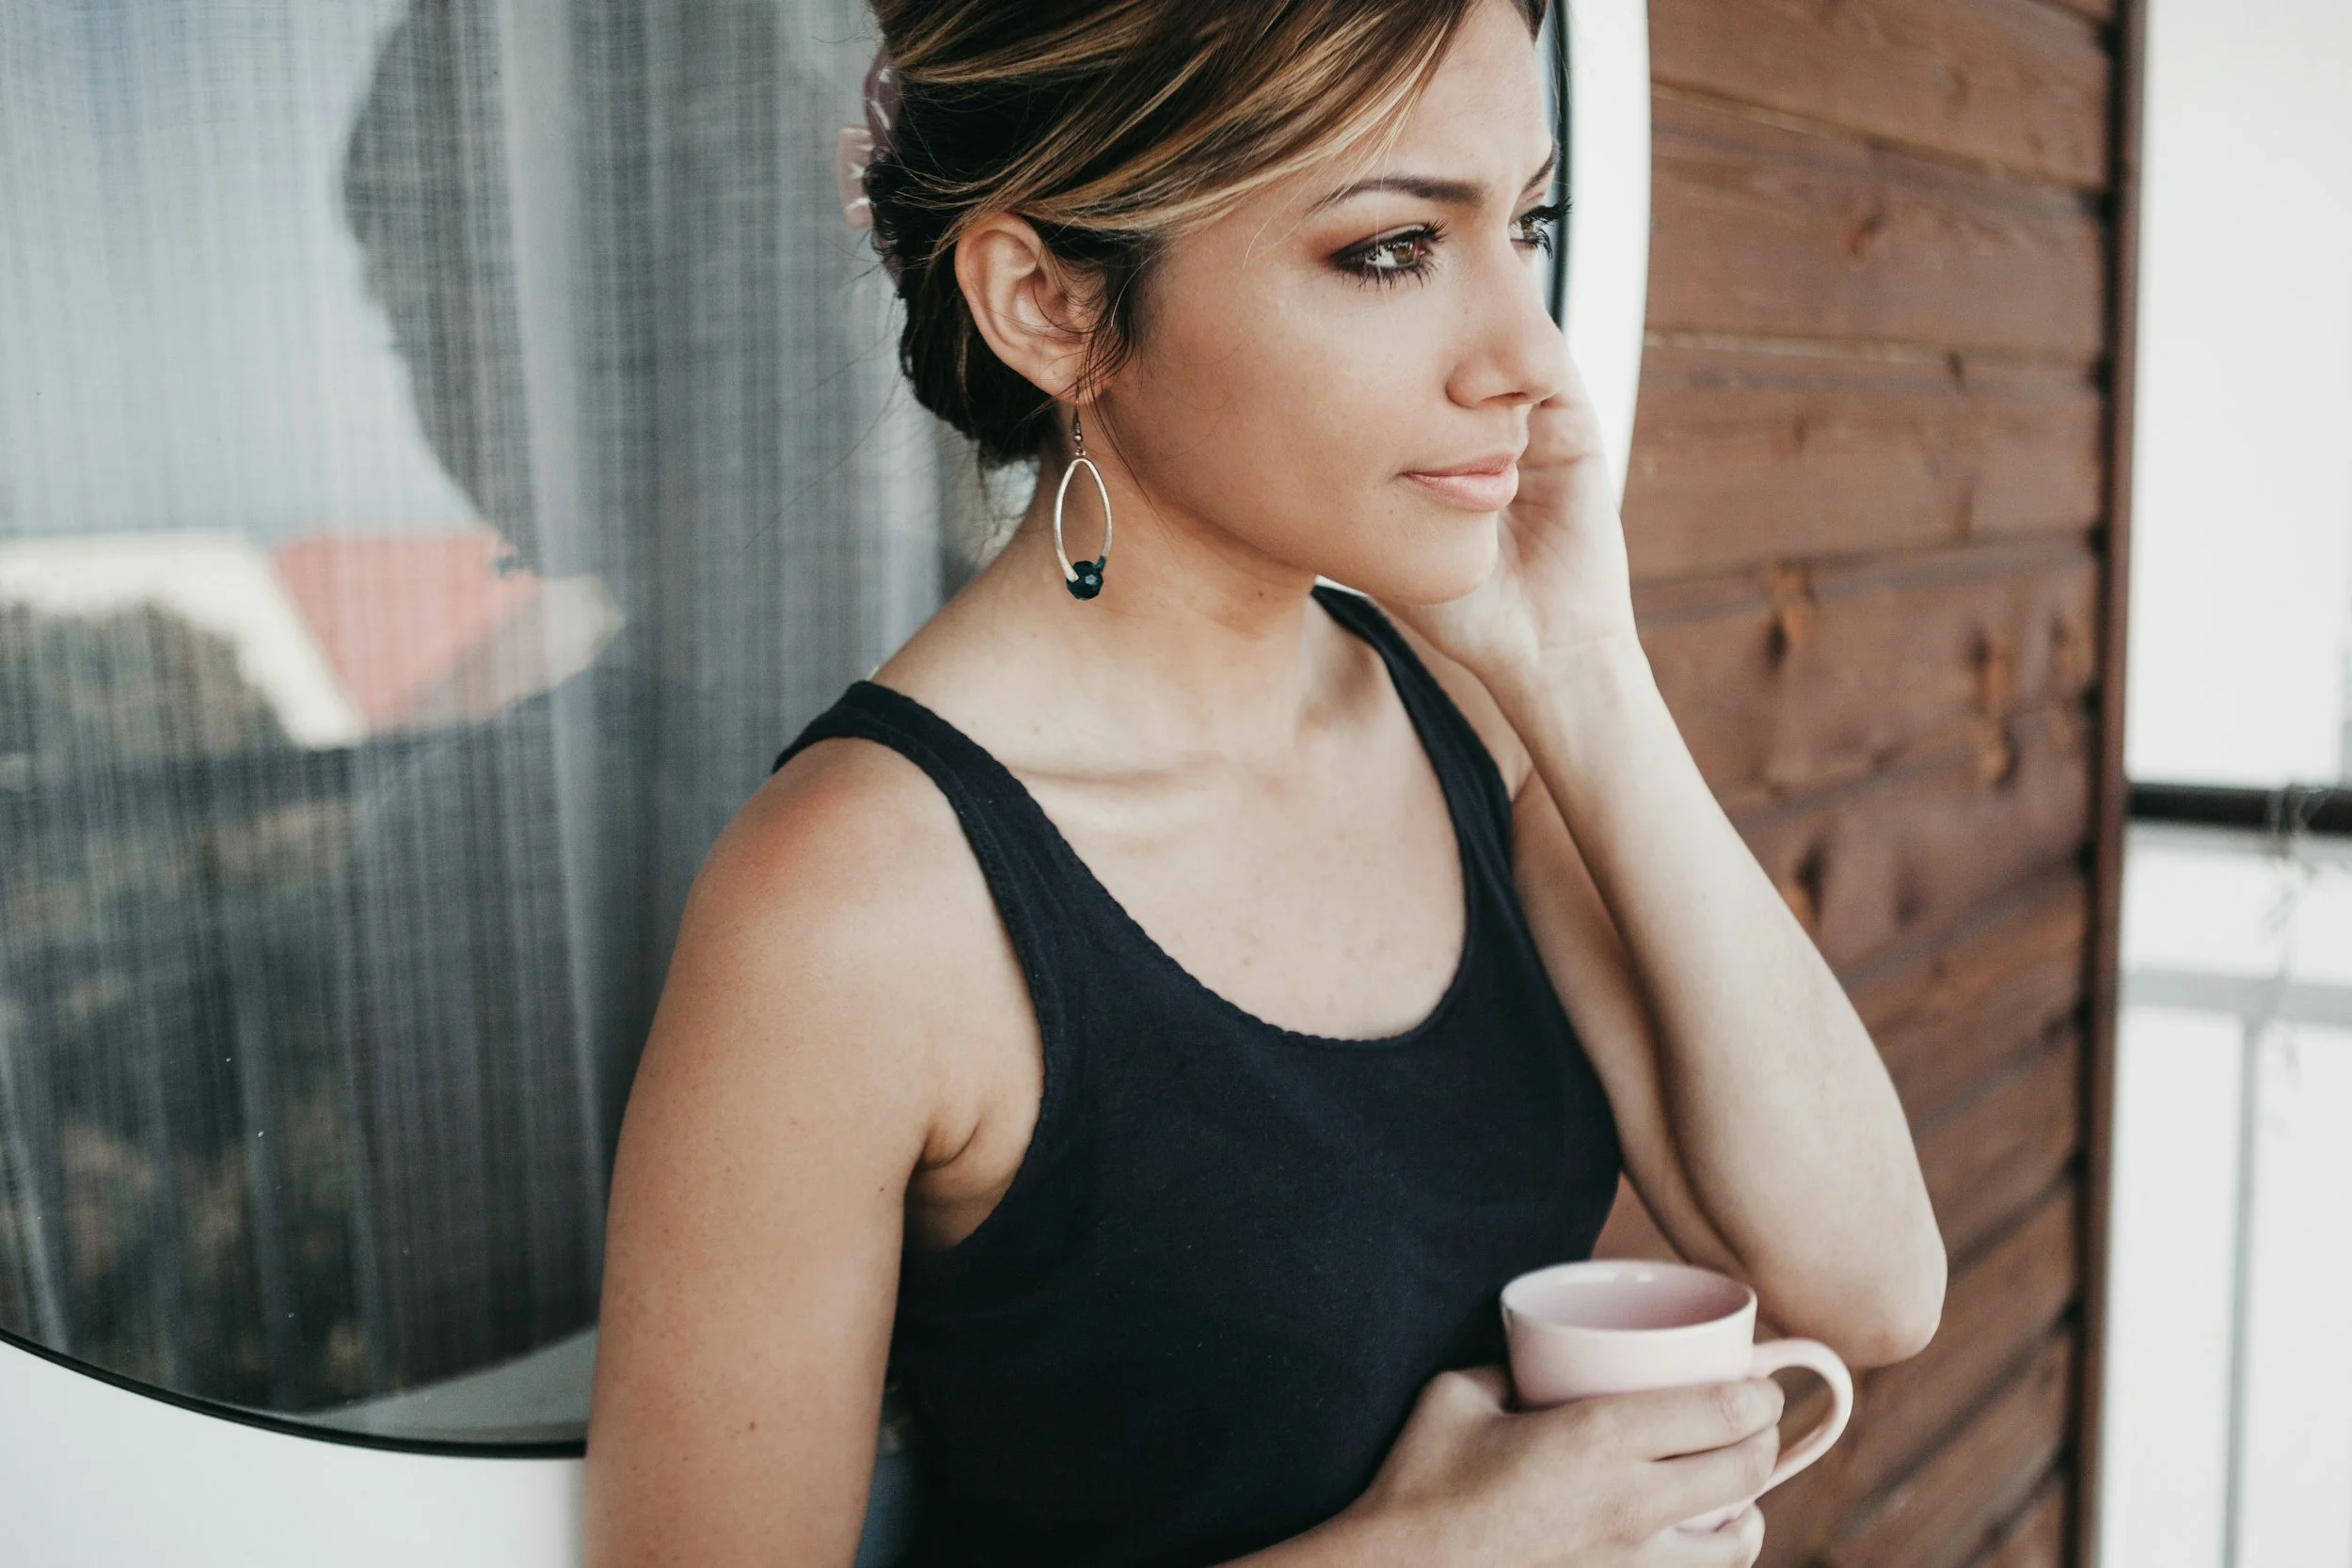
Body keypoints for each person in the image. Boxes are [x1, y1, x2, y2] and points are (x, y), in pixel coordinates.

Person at [582, 0, 1947, 1562]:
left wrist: (1582, 665)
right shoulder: (856, 898)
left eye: (1529, 222)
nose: (1531, 358)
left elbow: (1870, 1281)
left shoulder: (1466, 712)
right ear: (1049, 304)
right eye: (1391, 251)